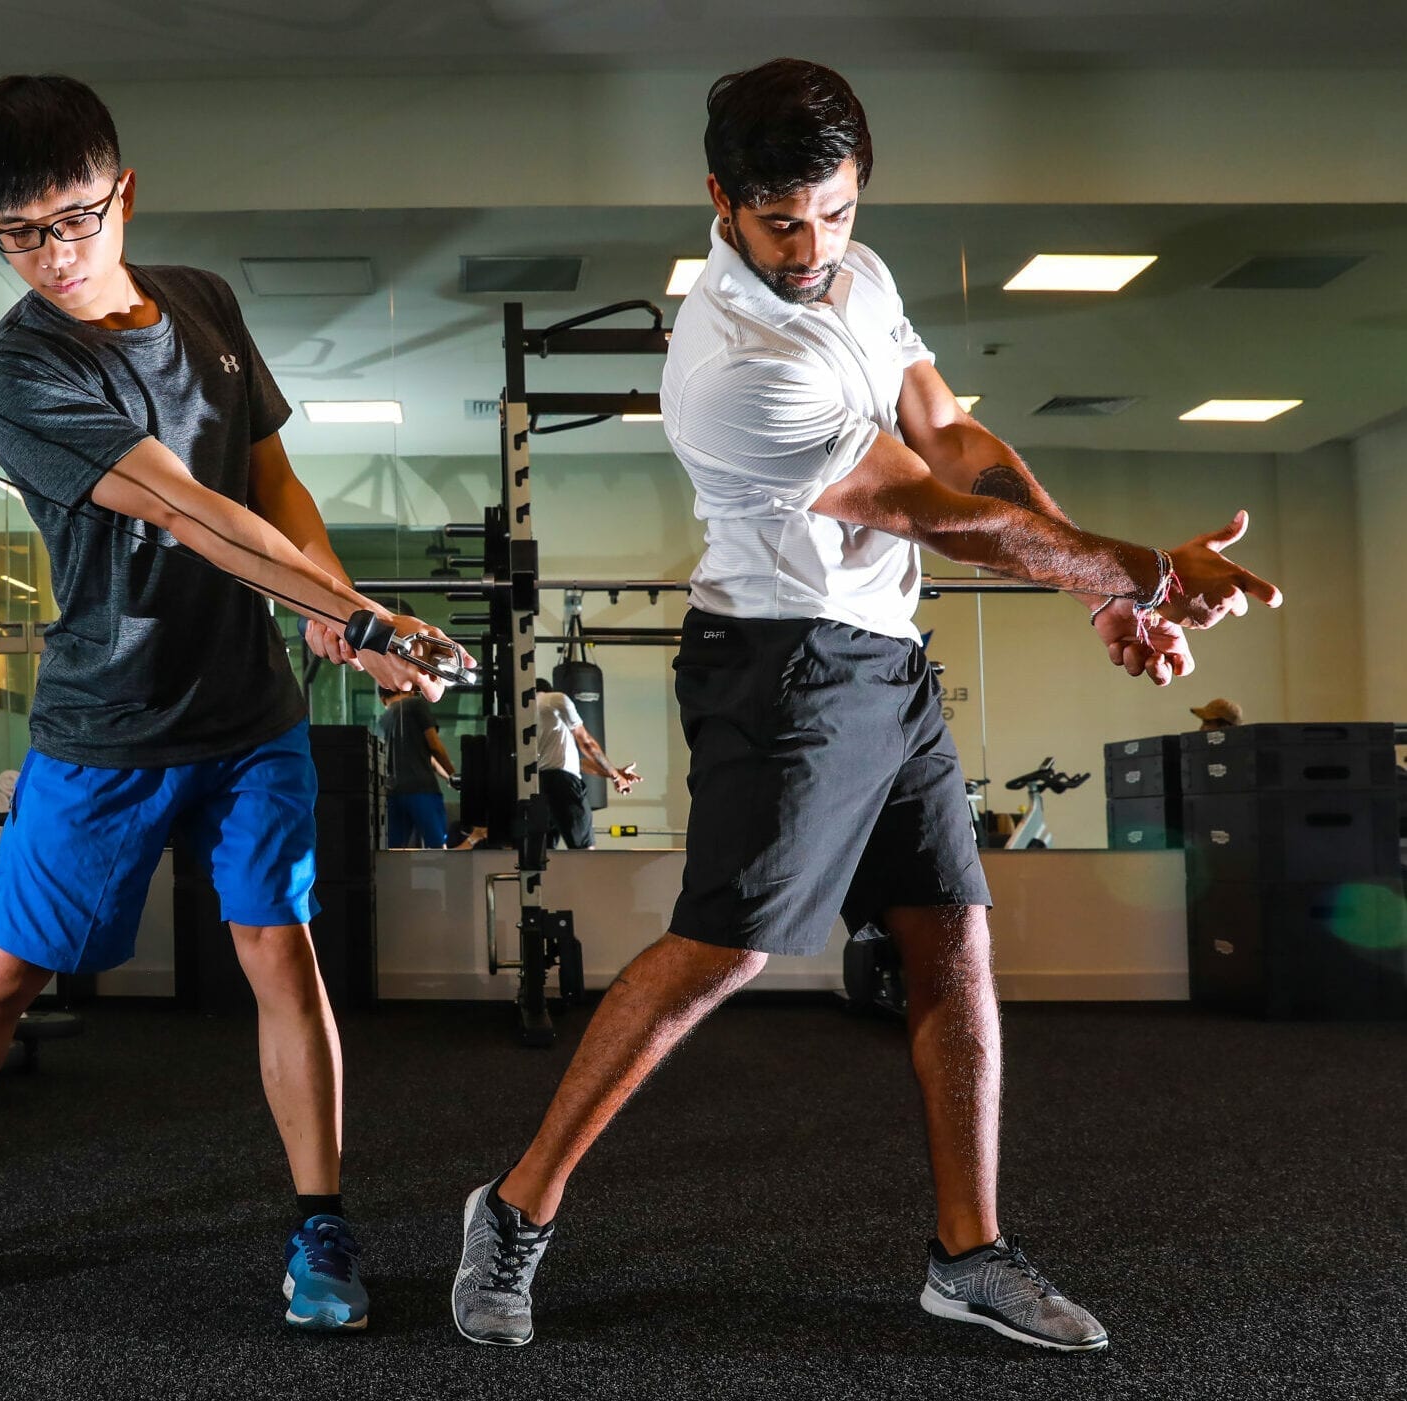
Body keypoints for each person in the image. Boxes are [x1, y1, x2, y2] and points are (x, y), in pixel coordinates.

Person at [450, 57, 1279, 1353]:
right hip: (777, 664)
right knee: (724, 950)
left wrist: (1095, 589)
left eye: (833, 212)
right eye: (782, 221)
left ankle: (968, 1251)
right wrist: (1150, 572)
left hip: (885, 660)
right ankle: (513, 1208)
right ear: (719, 199)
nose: (810, 244)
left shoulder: (862, 274)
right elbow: (929, 511)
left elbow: (951, 436)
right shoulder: (732, 361)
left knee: (952, 938)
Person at [0, 74, 463, 1333]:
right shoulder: (18, 370)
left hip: (251, 713)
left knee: (281, 949)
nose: (50, 255)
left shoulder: (204, 304)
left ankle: (318, 1221)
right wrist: (364, 623)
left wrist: (335, 604)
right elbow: (187, 510)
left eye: (72, 220)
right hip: (109, 726)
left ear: (124, 193)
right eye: (17, 233)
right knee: (5, 975)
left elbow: (267, 476)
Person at [533, 682, 640, 850]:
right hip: (563, 784)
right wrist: (615, 777)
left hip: (538, 786)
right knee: (585, 851)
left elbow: (579, 764)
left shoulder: (527, 713)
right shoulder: (556, 699)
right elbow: (587, 743)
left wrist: (614, 771)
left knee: (543, 855)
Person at [378, 685, 457, 848]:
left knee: (394, 852)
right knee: (438, 848)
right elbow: (433, 745)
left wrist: (449, 778)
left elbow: (426, 756)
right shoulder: (416, 705)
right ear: (410, 690)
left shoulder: (383, 719)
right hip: (422, 790)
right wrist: (453, 774)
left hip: (393, 794)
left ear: (382, 699)